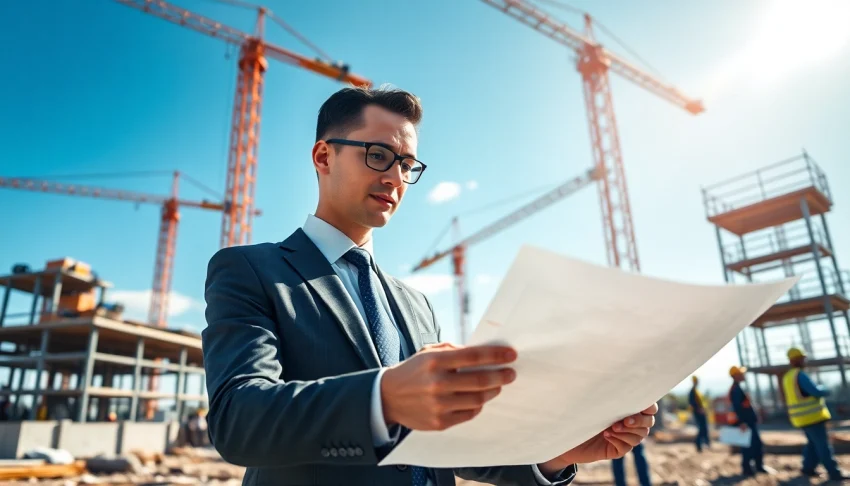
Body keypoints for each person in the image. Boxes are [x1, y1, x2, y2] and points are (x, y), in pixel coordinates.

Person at [201, 85, 658, 486]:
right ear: (324, 156)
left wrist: (555, 454)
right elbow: (239, 420)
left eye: (407, 164)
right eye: (378, 155)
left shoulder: (415, 304)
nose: (395, 177)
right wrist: (383, 398)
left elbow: (443, 444)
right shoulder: (250, 270)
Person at [782, 347, 849, 480]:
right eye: (802, 358)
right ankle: (834, 472)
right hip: (812, 417)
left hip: (800, 418)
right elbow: (816, 391)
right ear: (797, 359)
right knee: (822, 445)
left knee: (812, 444)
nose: (804, 360)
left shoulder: (787, 377)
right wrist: (824, 389)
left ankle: (808, 468)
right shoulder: (799, 375)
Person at [728, 366, 766, 476]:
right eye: (741, 373)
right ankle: (749, 468)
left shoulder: (737, 388)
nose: (743, 375)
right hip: (746, 423)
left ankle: (754, 468)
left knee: (752, 445)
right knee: (750, 446)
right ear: (735, 376)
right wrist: (742, 423)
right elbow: (737, 408)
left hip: (748, 422)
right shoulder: (735, 389)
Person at [689, 375, 710, 452]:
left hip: (701, 413)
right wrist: (699, 410)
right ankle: (698, 445)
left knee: (703, 429)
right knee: (701, 429)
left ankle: (703, 444)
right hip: (698, 413)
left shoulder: (696, 391)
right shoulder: (693, 391)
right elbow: (692, 403)